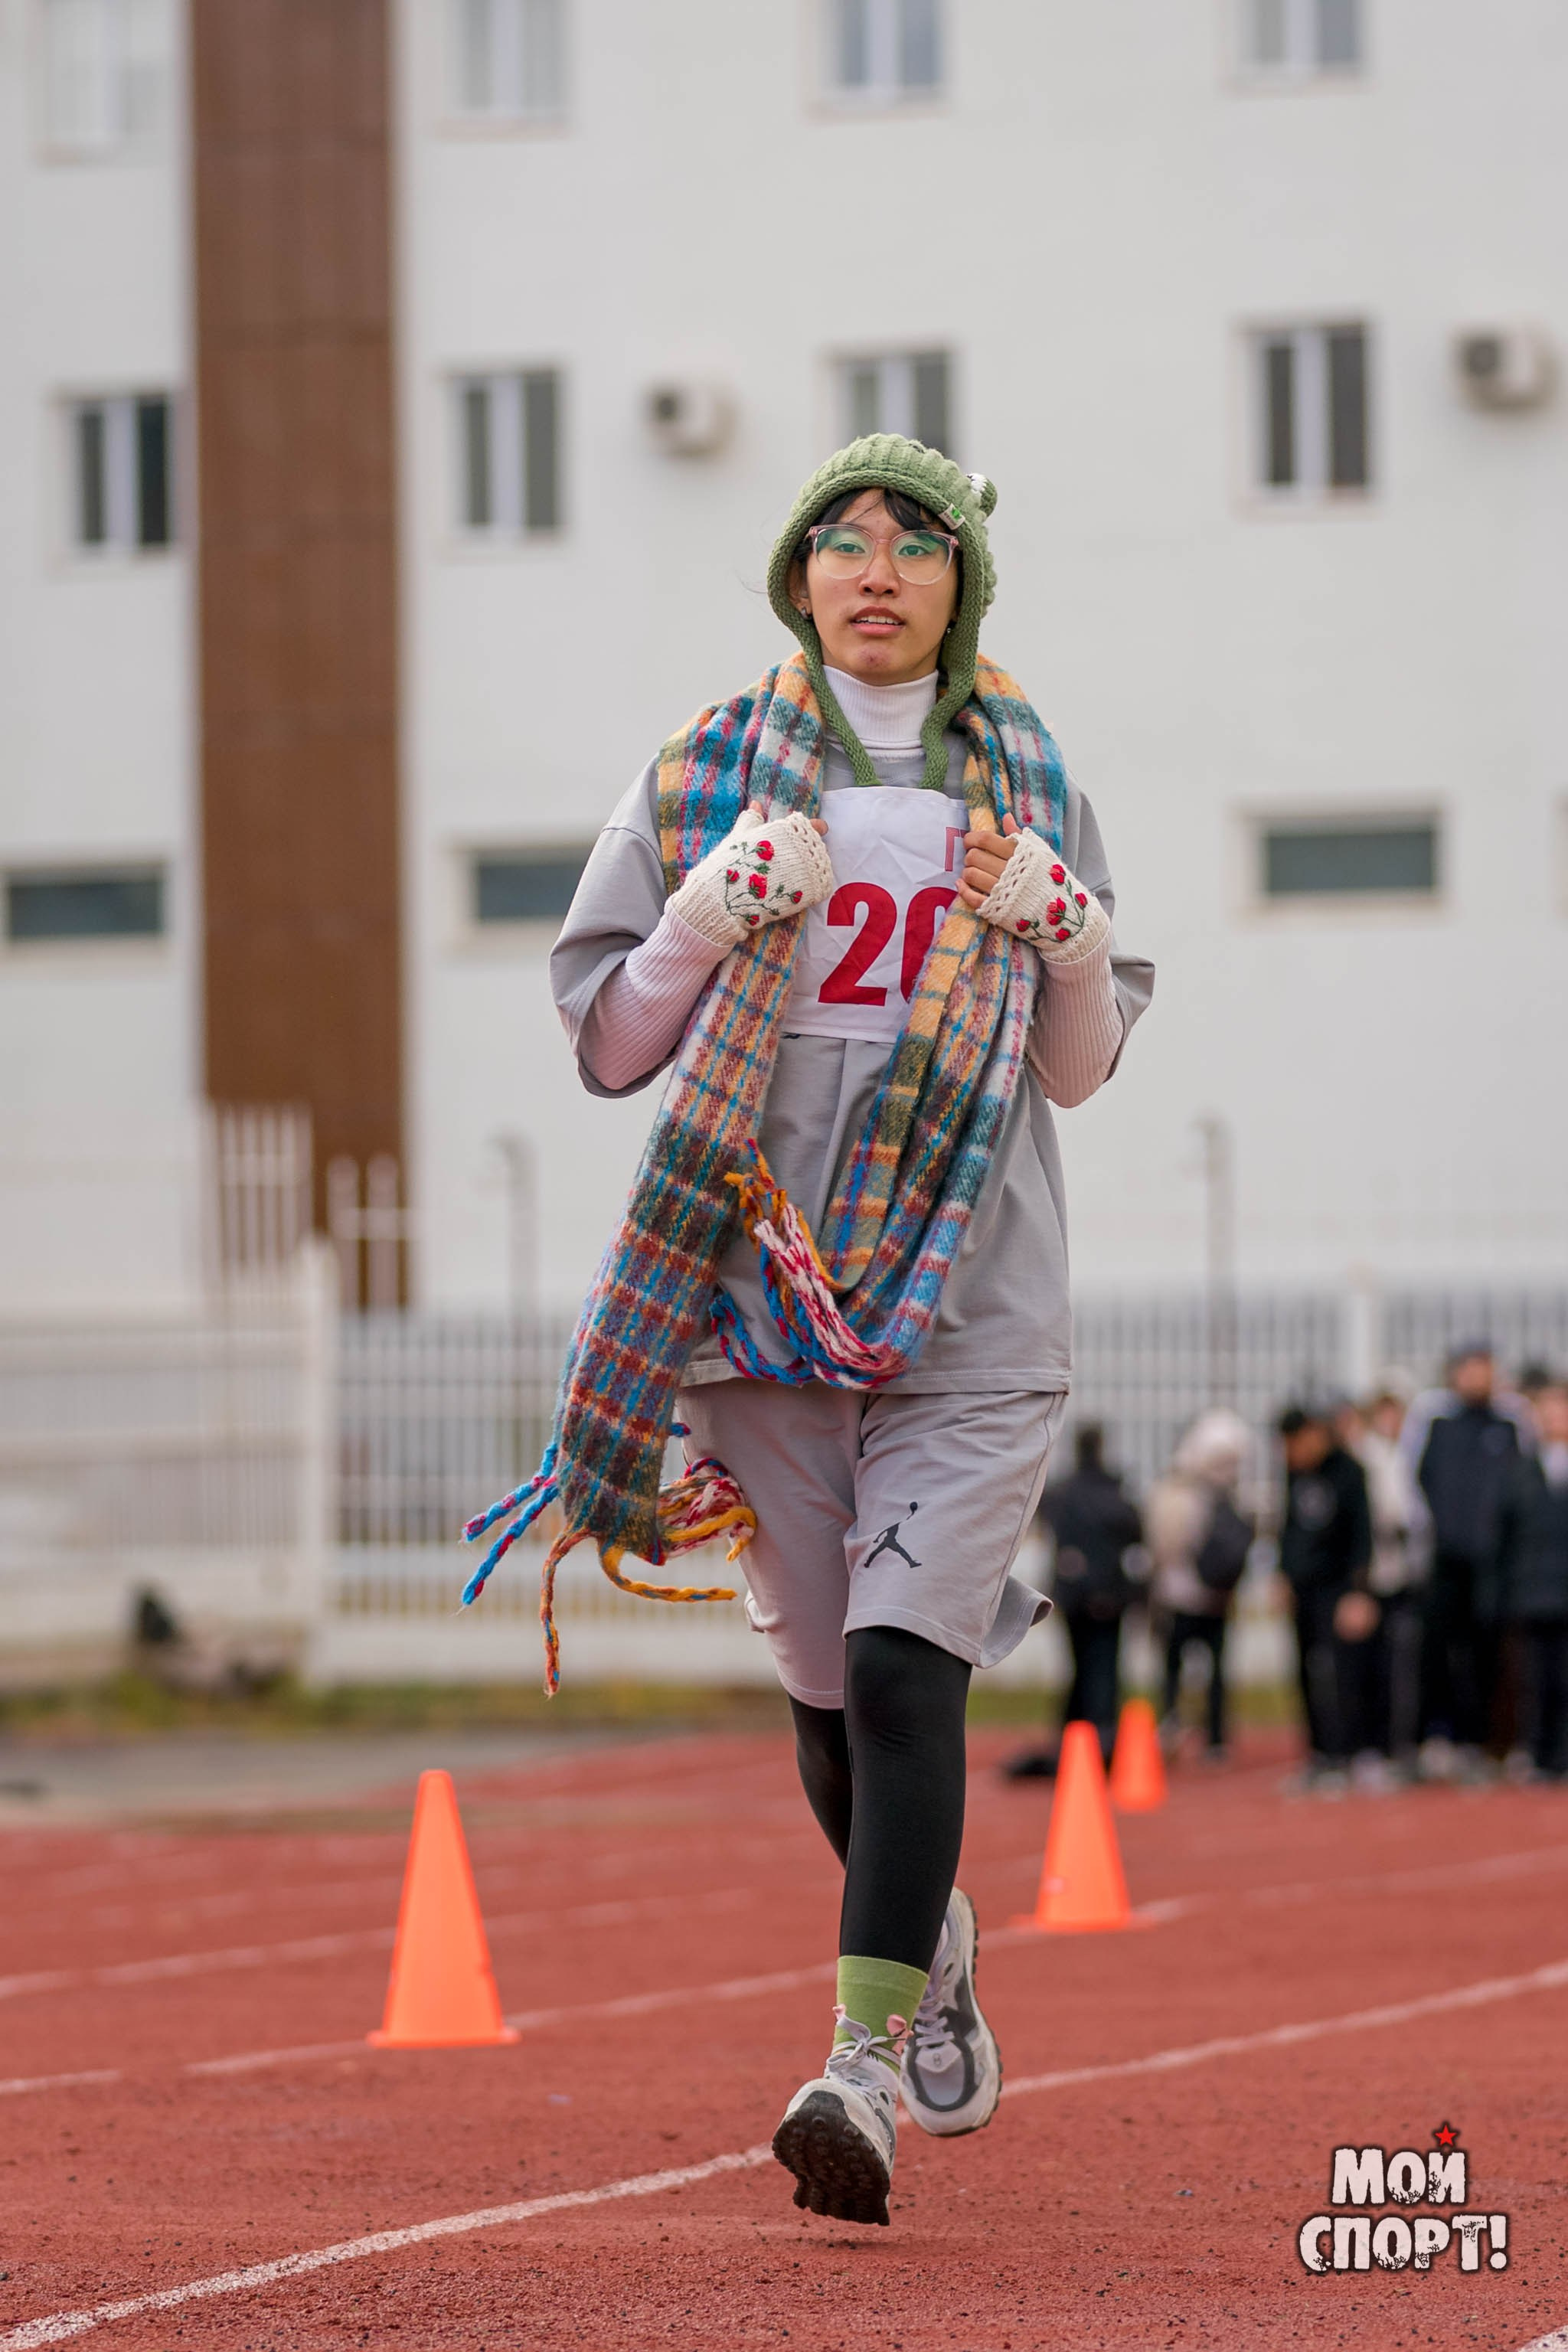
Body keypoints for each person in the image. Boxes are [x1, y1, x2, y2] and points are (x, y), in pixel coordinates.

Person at [487, 436, 1155, 2228]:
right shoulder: (701, 768)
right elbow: (613, 1041)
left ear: (959, 585)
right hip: (748, 1294)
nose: (873, 569)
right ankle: (925, 1950)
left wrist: (1066, 933)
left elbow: (1078, 1066)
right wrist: (701, 912)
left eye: (912, 545)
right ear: (795, 579)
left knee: (896, 1664)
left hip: (972, 1298)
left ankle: (854, 2060)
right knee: (821, 1701)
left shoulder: (1025, 778)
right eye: (837, 542)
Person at [1402, 1343, 1521, 1776]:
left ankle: (1482, 1741)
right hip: (1444, 1559)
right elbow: (1414, 1482)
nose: (1478, 1378)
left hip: (1491, 1564)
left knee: (1487, 1655)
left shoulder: (1508, 1425)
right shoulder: (1436, 1424)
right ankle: (1436, 1737)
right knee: (1434, 1652)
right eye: (1470, 1370)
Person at [1001, 1423, 1144, 1778]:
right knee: (1105, 1669)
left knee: (1078, 1667)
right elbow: (1136, 1535)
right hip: (1110, 1598)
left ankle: (1073, 1738)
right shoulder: (1116, 1494)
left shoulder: (1062, 1494)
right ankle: (1104, 1741)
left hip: (1074, 1595)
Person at [1276, 1405, 1374, 1790]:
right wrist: (1282, 1574)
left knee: (1341, 1674)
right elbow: (1287, 1526)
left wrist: (1357, 1592)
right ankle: (1318, 1753)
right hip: (1303, 1587)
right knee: (1305, 1669)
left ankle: (1345, 1753)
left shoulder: (1350, 1472)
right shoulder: (1294, 1473)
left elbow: (1362, 1536)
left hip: (1338, 1588)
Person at [1148, 1410, 1253, 1763]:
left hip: (1203, 1599)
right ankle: (1185, 1731)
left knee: (1197, 1671)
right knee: (1185, 1670)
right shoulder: (1185, 1496)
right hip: (1188, 1598)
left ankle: (1205, 1733)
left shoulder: (1218, 1499)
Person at [1349, 1385, 1429, 1779]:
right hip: (1373, 1577)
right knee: (1372, 1667)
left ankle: (1403, 1745)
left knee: (1406, 1668)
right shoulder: (1366, 1456)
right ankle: (1371, 1746)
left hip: (1409, 1576)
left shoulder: (1412, 1453)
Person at [1498, 1380, 1568, 1782]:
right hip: (1533, 1591)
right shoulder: (1519, 1470)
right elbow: (1503, 1534)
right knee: (1535, 1679)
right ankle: (1538, 1752)